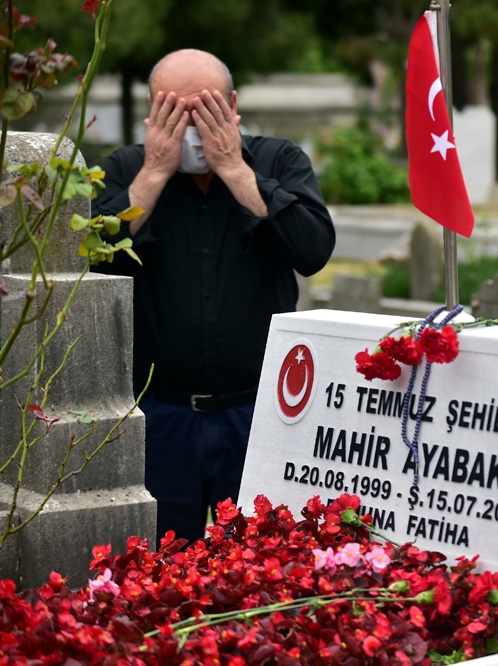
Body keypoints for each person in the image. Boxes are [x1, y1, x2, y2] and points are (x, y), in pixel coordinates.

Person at [95, 49, 336, 544]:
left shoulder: (277, 159)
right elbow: (96, 259)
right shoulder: (125, 167)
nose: (191, 125)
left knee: (259, 558)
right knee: (160, 565)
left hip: (257, 412)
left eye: (204, 109)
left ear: (232, 106)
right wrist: (156, 173)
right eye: (175, 111)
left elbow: (312, 250)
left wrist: (235, 170)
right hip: (161, 415)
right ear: (151, 111)